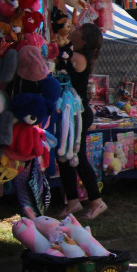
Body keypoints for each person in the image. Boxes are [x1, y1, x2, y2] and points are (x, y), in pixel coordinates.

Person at [53, 22, 108, 220]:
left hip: (77, 114)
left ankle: (96, 201)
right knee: (65, 159)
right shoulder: (75, 54)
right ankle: (73, 201)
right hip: (70, 112)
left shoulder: (77, 57)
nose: (73, 30)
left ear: (81, 40)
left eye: (78, 30)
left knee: (77, 157)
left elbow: (56, 57)